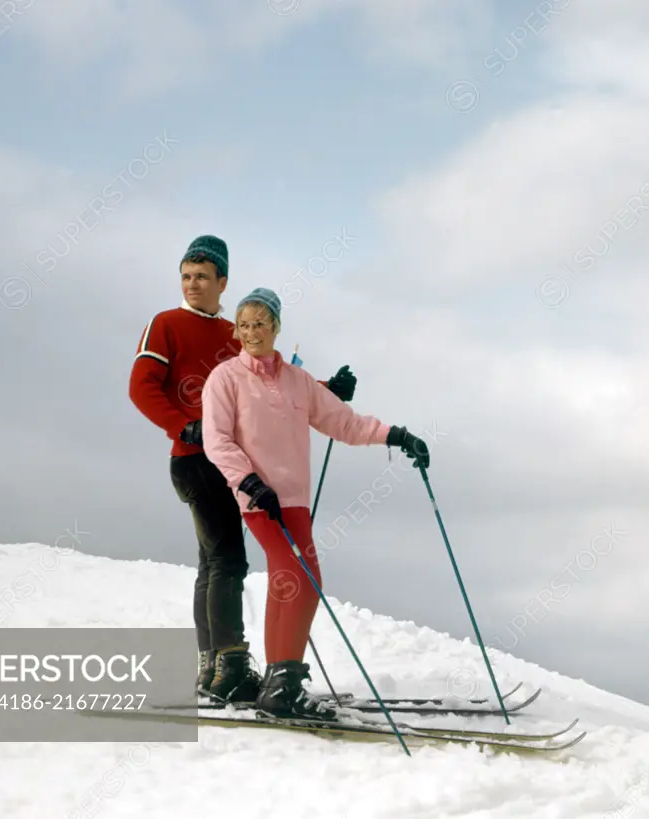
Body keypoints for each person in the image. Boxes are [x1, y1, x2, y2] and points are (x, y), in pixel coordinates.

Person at [128, 236, 358, 704]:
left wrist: (327, 389)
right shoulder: (166, 323)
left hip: (233, 462)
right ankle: (228, 664)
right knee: (226, 560)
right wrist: (184, 426)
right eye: (186, 276)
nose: (192, 285)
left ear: (223, 282)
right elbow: (140, 387)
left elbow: (267, 375)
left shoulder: (232, 330)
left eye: (202, 277)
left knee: (216, 561)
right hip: (195, 460)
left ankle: (214, 666)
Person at [201, 287, 430, 720]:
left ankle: (277, 681)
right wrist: (249, 482)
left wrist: (397, 435)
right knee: (298, 579)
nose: (252, 332)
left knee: (298, 584)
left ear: (277, 327)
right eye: (245, 324)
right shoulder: (225, 379)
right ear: (235, 329)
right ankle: (283, 688)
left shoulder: (298, 381)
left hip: (294, 501)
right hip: (259, 500)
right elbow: (218, 440)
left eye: (261, 323)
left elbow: (343, 422)